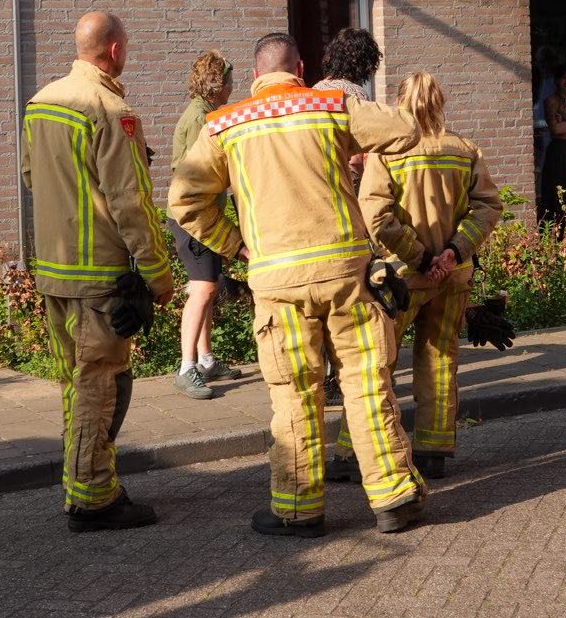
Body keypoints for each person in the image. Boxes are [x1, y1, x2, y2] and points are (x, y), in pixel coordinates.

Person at [169, 33, 428, 538]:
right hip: (345, 274)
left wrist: (236, 245)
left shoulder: (225, 124)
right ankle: (394, 496)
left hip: (276, 279)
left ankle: (297, 509)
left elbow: (185, 198)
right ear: (302, 67)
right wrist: (351, 120)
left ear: (253, 76)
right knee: (365, 383)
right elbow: (407, 130)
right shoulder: (330, 106)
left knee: (293, 393)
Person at [23, 11, 175, 532]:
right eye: (126, 47)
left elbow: (29, 175)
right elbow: (131, 203)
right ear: (114, 51)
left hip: (53, 271)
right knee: (100, 384)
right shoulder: (111, 109)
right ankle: (93, 500)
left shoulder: (42, 102)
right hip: (100, 279)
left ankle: (85, 482)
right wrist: (158, 275)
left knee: (75, 381)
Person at [327, 71, 502, 481]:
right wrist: (453, 252)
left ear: (401, 104)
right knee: (440, 359)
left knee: (375, 365)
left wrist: (421, 259)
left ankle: (352, 456)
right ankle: (433, 450)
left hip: (401, 280)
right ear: (440, 102)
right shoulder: (465, 149)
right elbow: (487, 207)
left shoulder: (386, 154)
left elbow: (376, 216)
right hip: (453, 277)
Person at [311, 26, 383, 408]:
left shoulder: (316, 90)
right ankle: (342, 375)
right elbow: (357, 155)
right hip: (345, 196)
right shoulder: (355, 96)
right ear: (365, 63)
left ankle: (320, 372)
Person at [170, 50, 243, 400]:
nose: (232, 86)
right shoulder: (202, 119)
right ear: (218, 83)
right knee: (202, 290)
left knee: (210, 285)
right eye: (229, 79)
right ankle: (186, 369)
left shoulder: (205, 113)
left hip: (203, 217)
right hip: (194, 220)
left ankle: (206, 360)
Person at [537, 63, 566, 223]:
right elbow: (555, 129)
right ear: (557, 80)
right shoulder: (552, 101)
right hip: (560, 153)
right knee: (558, 192)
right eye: (564, 77)